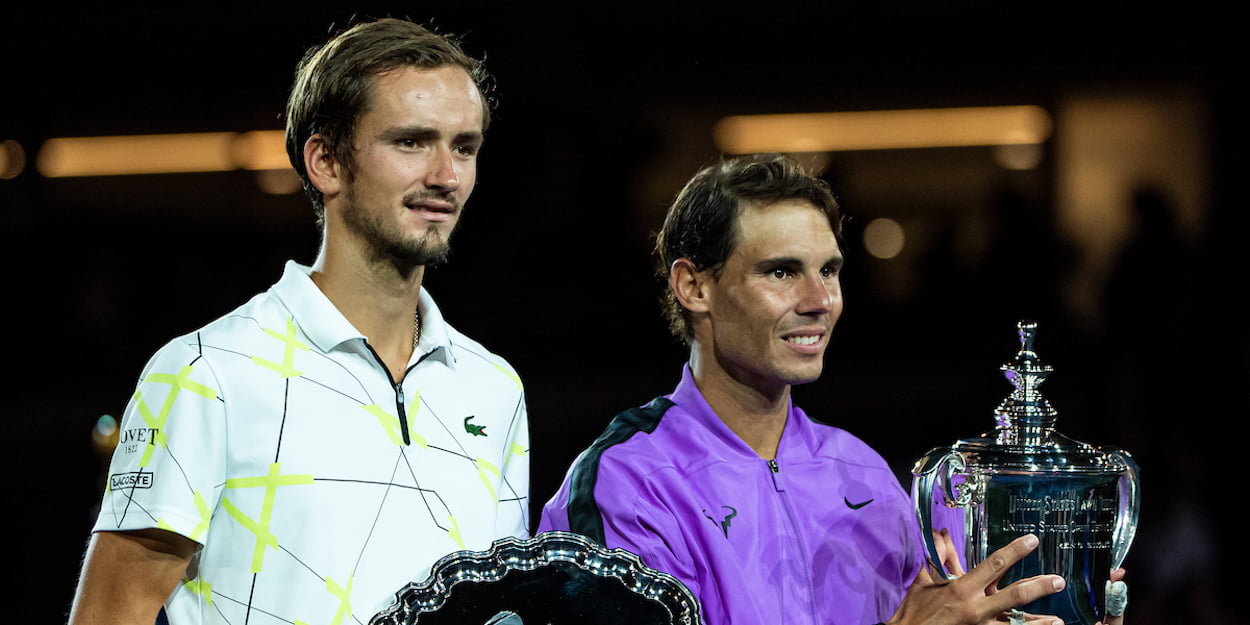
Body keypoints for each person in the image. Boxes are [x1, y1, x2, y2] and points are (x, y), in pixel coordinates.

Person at [68, 18, 529, 625]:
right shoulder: (206, 373)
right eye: (411, 142)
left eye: (463, 147)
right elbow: (110, 614)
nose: (446, 176)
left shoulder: (494, 388)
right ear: (325, 162)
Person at [538, 153, 1119, 625]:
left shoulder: (864, 473)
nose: (820, 301)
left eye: (831, 270)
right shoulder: (630, 482)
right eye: (782, 271)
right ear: (694, 286)